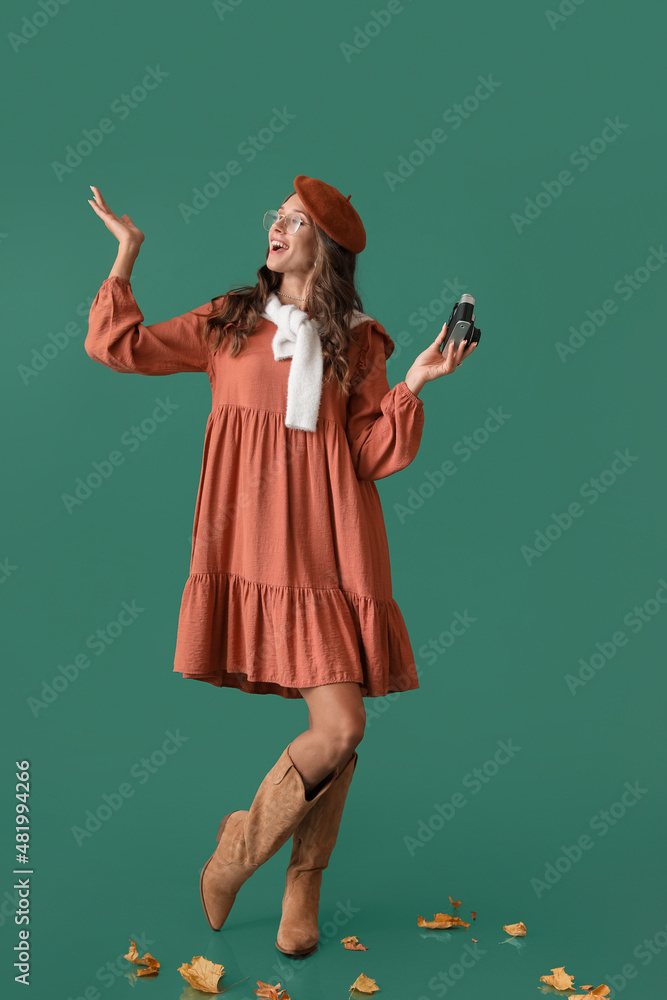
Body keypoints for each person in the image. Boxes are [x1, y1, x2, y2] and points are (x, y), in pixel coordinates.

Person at [84, 175, 478, 958]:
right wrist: (126, 254)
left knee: (340, 728)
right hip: (253, 541)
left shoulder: (358, 341)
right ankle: (281, 875)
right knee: (339, 730)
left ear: (323, 249)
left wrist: (415, 383)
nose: (277, 227)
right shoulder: (229, 320)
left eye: (296, 222)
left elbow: (367, 454)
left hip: (332, 545)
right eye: (278, 216)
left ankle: (259, 862)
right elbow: (118, 347)